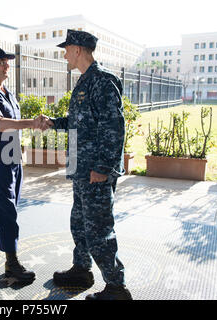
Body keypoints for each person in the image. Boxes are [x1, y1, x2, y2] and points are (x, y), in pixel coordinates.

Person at [42, 30, 132, 300]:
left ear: (78, 49)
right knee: (80, 223)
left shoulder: (103, 81)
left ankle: (116, 287)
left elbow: (114, 128)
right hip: (82, 169)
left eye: (66, 49)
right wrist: (53, 123)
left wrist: (103, 168)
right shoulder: (84, 82)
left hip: (95, 172)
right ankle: (82, 270)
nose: (65, 54)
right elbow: (78, 122)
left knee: (99, 231)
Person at [0, 46, 47, 284]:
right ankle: (11, 264)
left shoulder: (8, 93)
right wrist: (31, 124)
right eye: (1, 61)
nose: (7, 65)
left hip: (13, 159)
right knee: (8, 211)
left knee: (6, 205)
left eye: (7, 61)